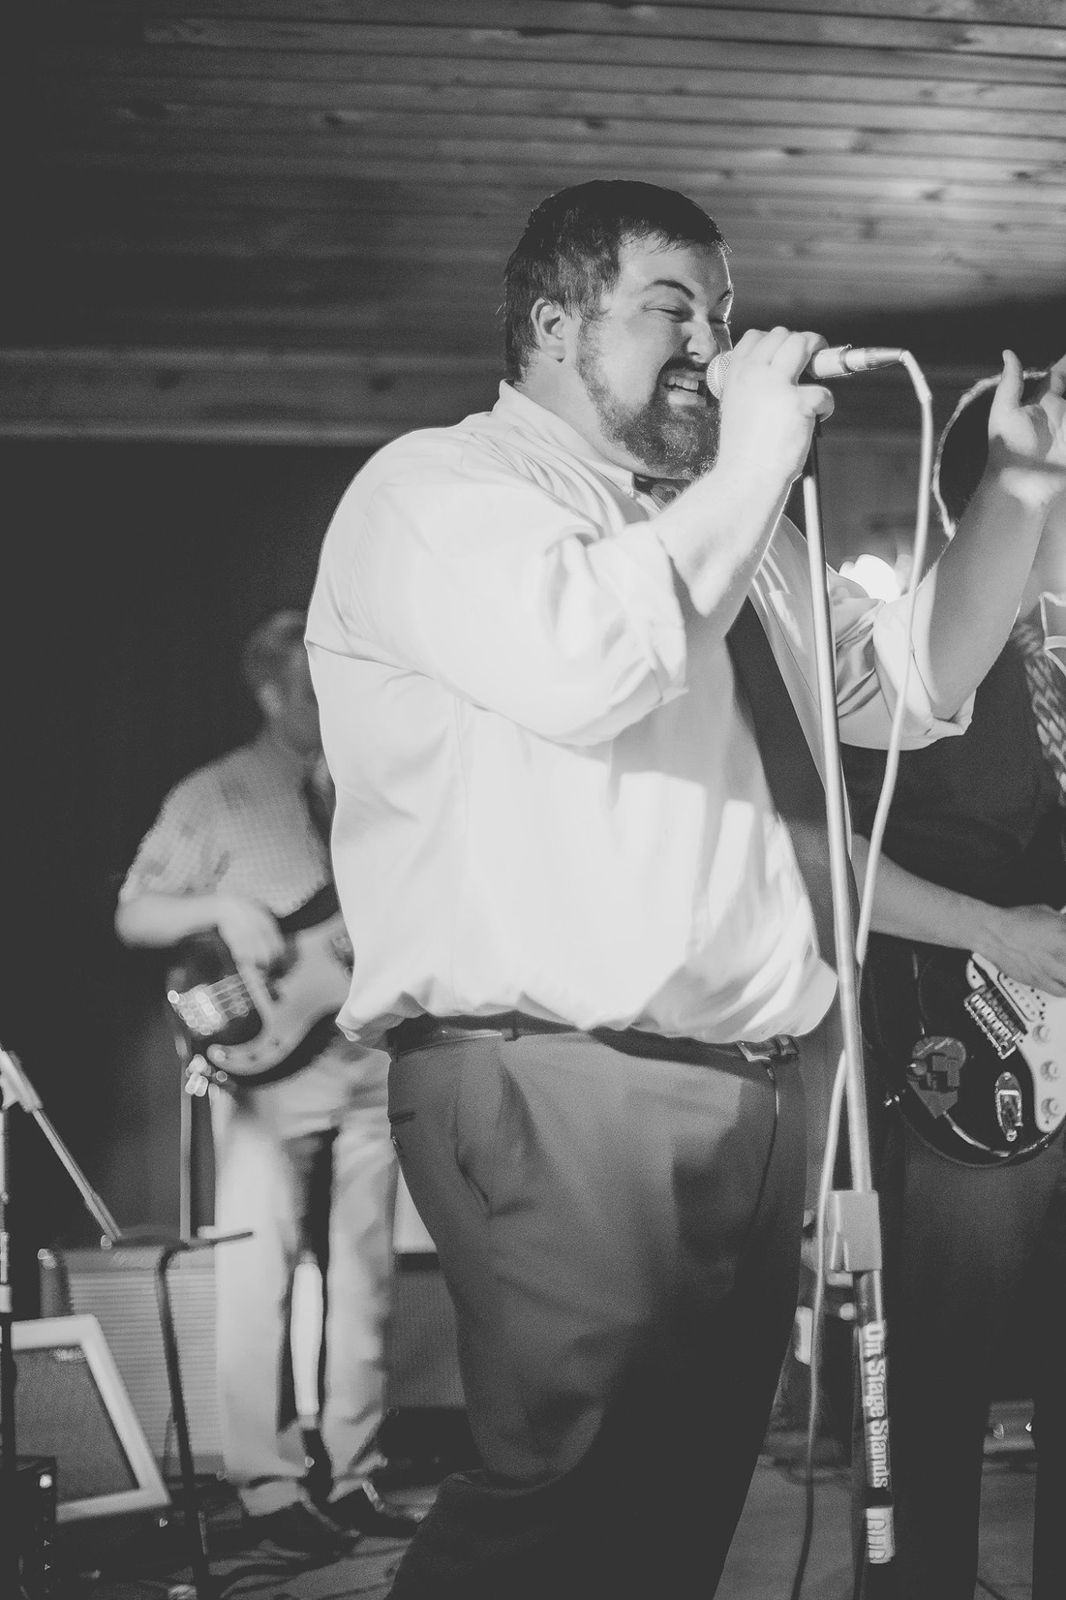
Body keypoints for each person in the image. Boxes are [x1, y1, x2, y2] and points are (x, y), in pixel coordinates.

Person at [305, 180, 1066, 1598]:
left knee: (677, 1517)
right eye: (671, 310)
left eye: (721, 314)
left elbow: (911, 683)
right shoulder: (442, 492)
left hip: (749, 1084)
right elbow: (589, 664)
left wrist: (1019, 489)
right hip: (557, 1070)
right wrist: (755, 461)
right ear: (553, 325)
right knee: (562, 1509)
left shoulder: (731, 531)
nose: (712, 347)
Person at [115, 610, 419, 1557]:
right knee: (259, 1273)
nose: (333, 702)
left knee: (366, 1276)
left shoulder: (374, 788)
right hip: (267, 1067)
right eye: (314, 686)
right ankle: (267, 1486)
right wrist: (218, 905)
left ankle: (354, 1471)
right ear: (269, 690)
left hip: (368, 1053)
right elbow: (133, 912)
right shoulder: (216, 794)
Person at [844, 363, 1066, 1600]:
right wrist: (991, 931)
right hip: (959, 1069)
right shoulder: (909, 657)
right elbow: (827, 861)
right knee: (934, 1385)